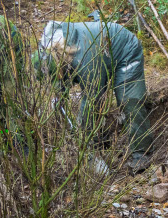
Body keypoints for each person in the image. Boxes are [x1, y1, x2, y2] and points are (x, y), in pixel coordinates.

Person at [32, 20, 152, 172]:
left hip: (124, 50)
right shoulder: (48, 52)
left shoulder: (85, 58)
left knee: (129, 101)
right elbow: (58, 79)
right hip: (98, 56)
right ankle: (99, 141)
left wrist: (84, 137)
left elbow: (93, 96)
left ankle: (142, 154)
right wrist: (59, 99)